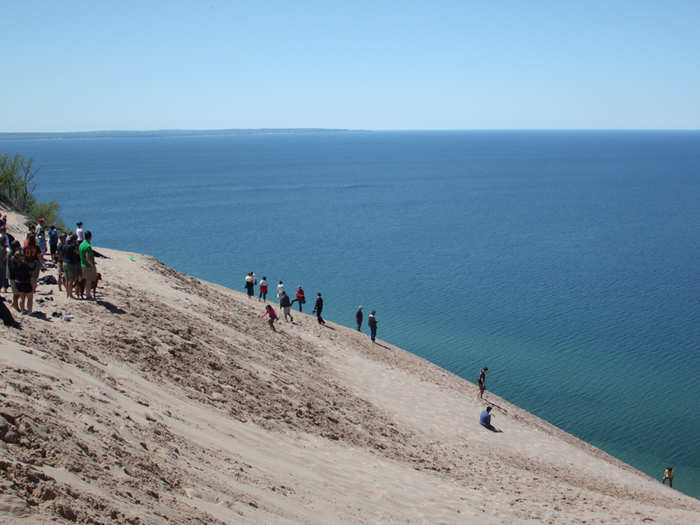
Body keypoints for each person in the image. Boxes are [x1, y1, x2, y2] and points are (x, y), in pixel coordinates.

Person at [9, 243, 33, 313]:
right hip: (25, 282)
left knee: (22, 298)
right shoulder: (23, 264)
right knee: (30, 298)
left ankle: (22, 310)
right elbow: (30, 270)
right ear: (20, 257)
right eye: (22, 255)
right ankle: (29, 311)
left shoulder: (13, 263)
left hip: (18, 282)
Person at [79, 231, 97, 299]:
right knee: (88, 281)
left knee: (85, 280)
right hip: (88, 266)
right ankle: (88, 295)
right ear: (90, 237)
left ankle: (85, 293)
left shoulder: (81, 244)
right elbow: (88, 258)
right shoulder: (87, 246)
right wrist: (92, 265)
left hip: (82, 264)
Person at [62, 234, 80, 298]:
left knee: (67, 279)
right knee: (71, 279)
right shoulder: (72, 247)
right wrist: (77, 245)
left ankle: (67, 293)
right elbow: (78, 252)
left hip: (64, 263)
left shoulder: (64, 246)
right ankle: (70, 294)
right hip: (71, 264)